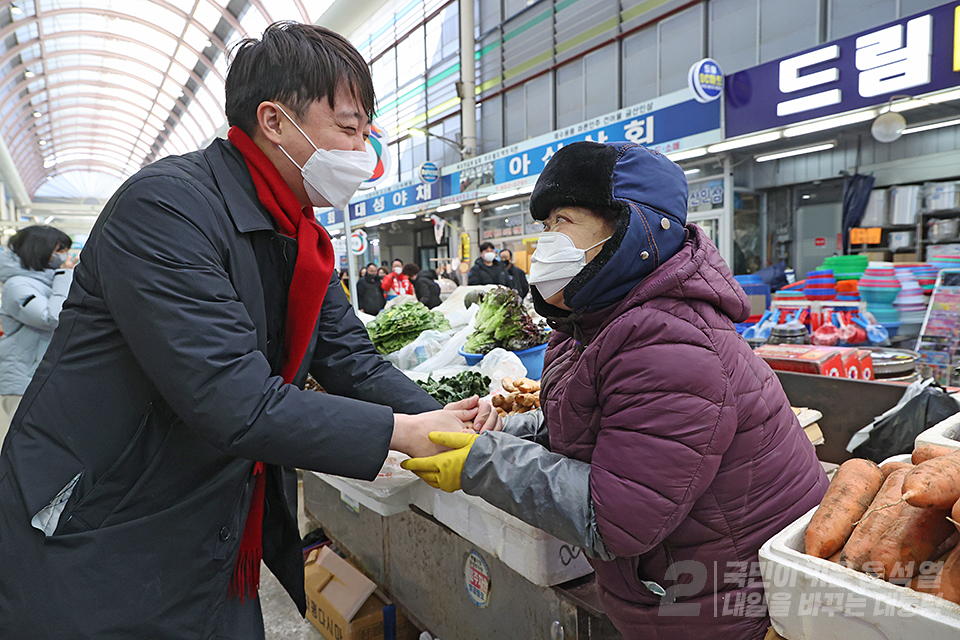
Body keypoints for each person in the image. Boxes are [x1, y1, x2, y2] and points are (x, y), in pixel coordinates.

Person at [0, 22, 474, 639]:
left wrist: (450, 421)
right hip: (99, 519)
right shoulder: (166, 212)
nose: (364, 153)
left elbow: (351, 359)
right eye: (350, 129)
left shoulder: (297, 234)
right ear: (274, 121)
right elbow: (236, 401)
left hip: (207, 514)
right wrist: (403, 432)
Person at [402, 142, 829, 640]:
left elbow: (618, 516)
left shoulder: (670, 340)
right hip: (679, 591)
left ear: (633, 230)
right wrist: (503, 428)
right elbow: (590, 421)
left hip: (727, 606)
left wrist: (479, 461)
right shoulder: (592, 324)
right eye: (544, 226)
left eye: (563, 220)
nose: (546, 243)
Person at [0, 226, 76, 441]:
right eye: (60, 250)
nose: (64, 256)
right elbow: (51, 318)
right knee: (23, 448)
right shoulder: (17, 285)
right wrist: (65, 275)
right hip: (22, 380)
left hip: (39, 377)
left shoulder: (46, 282)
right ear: (40, 250)